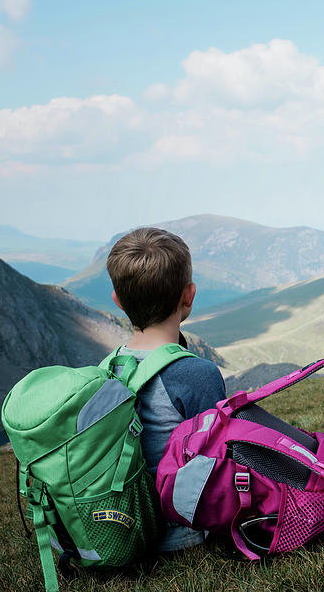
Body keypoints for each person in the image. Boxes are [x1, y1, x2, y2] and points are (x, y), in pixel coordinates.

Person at [106, 227, 227, 550]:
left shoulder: (106, 369)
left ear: (118, 301)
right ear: (189, 296)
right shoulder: (196, 373)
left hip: (120, 524)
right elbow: (221, 458)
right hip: (182, 534)